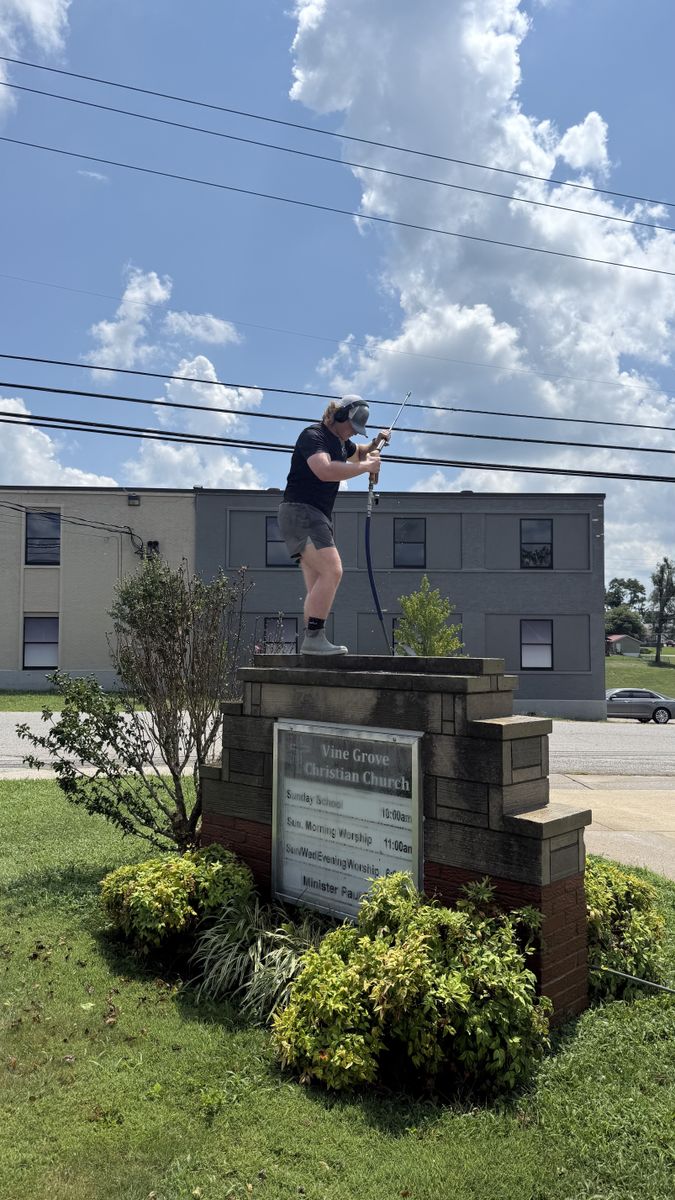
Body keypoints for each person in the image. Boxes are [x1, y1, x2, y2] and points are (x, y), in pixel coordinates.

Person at [278, 395, 389, 655]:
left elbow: (359, 453)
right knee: (333, 570)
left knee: (318, 579)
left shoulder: (341, 442)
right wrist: (366, 467)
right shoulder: (313, 436)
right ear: (338, 416)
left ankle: (313, 642)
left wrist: (375, 443)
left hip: (313, 516)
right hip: (303, 512)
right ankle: (313, 640)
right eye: (351, 426)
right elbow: (324, 471)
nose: (353, 433)